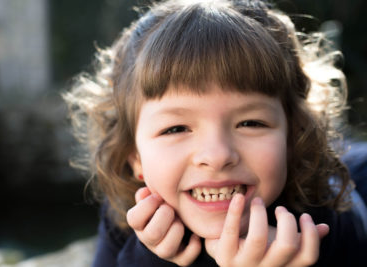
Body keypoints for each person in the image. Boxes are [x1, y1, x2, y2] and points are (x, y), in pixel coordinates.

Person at [63, 0, 367, 266]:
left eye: (251, 123)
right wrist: (153, 259)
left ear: (293, 137)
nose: (217, 155)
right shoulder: (126, 215)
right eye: (176, 128)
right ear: (135, 157)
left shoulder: (330, 218)